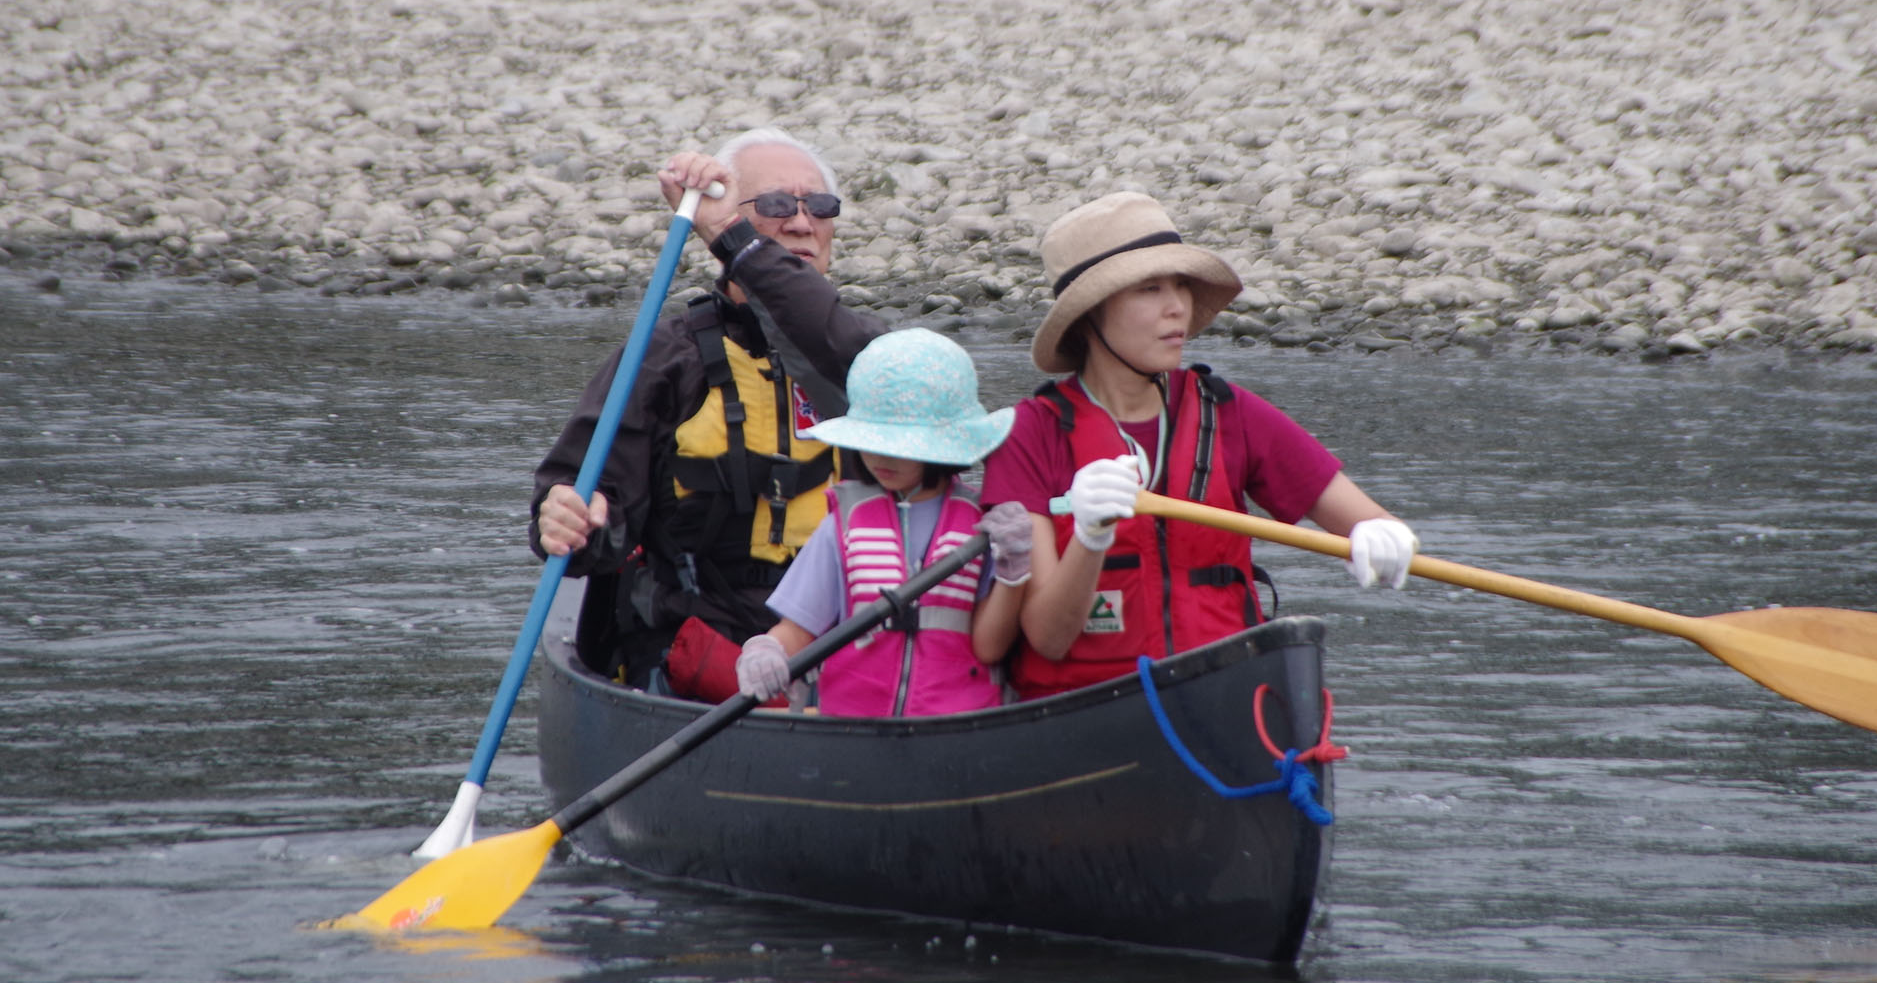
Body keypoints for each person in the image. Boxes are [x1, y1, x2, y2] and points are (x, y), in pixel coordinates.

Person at [979, 192, 1418, 700]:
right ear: (1090, 315)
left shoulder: (1230, 411)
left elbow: (1367, 518)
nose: (1178, 308)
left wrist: (1383, 535)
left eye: (1182, 286)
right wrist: (1090, 538)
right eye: (1150, 289)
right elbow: (1048, 639)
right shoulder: (1028, 435)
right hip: (1088, 708)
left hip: (1224, 695)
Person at [532, 127, 886, 699]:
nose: (801, 223)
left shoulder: (871, 356)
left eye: (819, 206)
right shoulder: (662, 358)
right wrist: (574, 518)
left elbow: (827, 338)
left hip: (845, 643)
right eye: (775, 205)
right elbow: (583, 505)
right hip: (699, 650)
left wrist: (732, 235)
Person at [732, 328, 1036, 718]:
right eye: (873, 442)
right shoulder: (843, 524)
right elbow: (797, 631)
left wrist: (1013, 573)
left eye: (899, 446)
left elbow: (990, 648)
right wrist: (767, 650)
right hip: (853, 724)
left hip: (956, 724)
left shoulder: (983, 526)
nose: (880, 458)